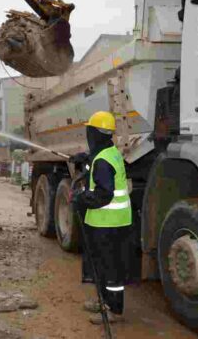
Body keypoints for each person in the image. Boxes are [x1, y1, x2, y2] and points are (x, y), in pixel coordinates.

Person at [69, 111, 133, 325]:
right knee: (103, 265)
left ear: (94, 133)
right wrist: (85, 158)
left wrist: (82, 198)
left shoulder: (103, 161)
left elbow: (104, 194)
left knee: (110, 267)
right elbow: (98, 164)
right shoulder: (108, 152)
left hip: (109, 223)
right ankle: (104, 301)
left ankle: (114, 310)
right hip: (111, 221)